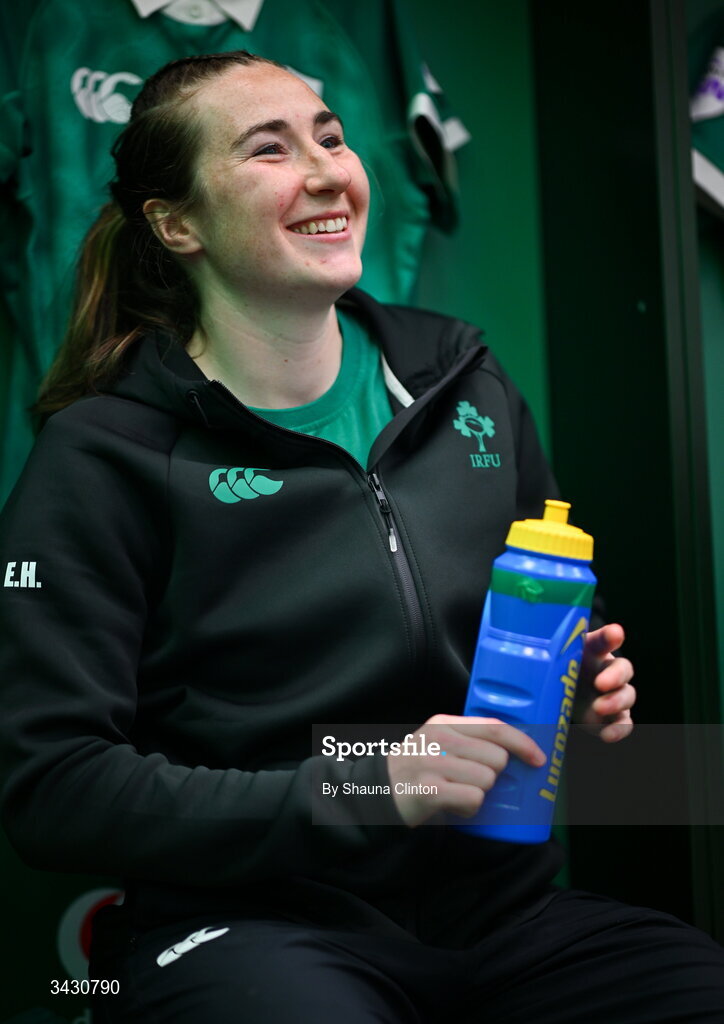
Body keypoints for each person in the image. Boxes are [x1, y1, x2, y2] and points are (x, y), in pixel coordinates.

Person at [0, 50, 721, 1024]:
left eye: (331, 136)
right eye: (269, 149)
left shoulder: (462, 379)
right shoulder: (105, 455)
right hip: (246, 928)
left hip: (498, 919)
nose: (327, 168)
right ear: (175, 225)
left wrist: (580, 708)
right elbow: (56, 788)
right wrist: (365, 780)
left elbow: (540, 669)